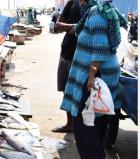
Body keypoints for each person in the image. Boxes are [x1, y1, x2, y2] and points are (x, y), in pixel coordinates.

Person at [60, 0, 127, 158]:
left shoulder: (97, 13)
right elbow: (80, 28)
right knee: (96, 125)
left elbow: (100, 47)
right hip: (100, 76)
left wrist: (90, 77)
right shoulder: (99, 10)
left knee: (84, 128)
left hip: (93, 79)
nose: (79, 1)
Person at [52, 0, 88, 133]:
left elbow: (86, 30)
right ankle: (70, 124)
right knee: (65, 91)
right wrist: (75, 27)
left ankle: (80, 125)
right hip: (66, 52)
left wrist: (69, 27)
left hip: (80, 56)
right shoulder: (71, 2)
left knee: (79, 92)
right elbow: (58, 25)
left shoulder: (92, 5)